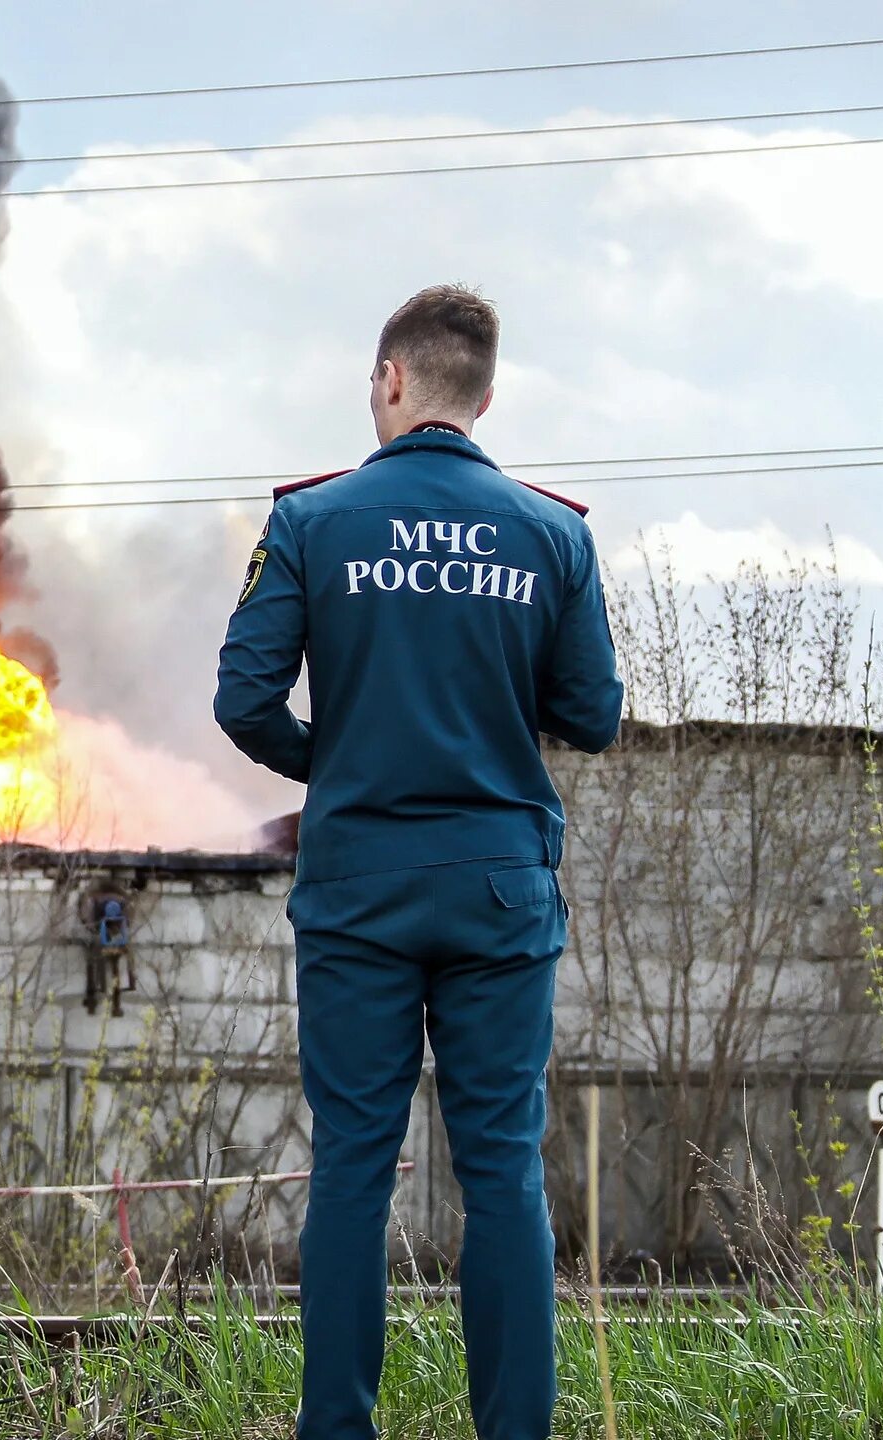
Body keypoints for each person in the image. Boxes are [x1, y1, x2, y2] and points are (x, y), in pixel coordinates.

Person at [213, 285, 622, 1440]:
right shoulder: (553, 533)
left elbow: (243, 700)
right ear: (483, 397)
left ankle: (338, 1430)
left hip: (357, 885)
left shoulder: (311, 521)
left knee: (351, 1165)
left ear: (390, 380)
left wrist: (338, 764)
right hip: (499, 884)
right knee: (503, 1169)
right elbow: (592, 715)